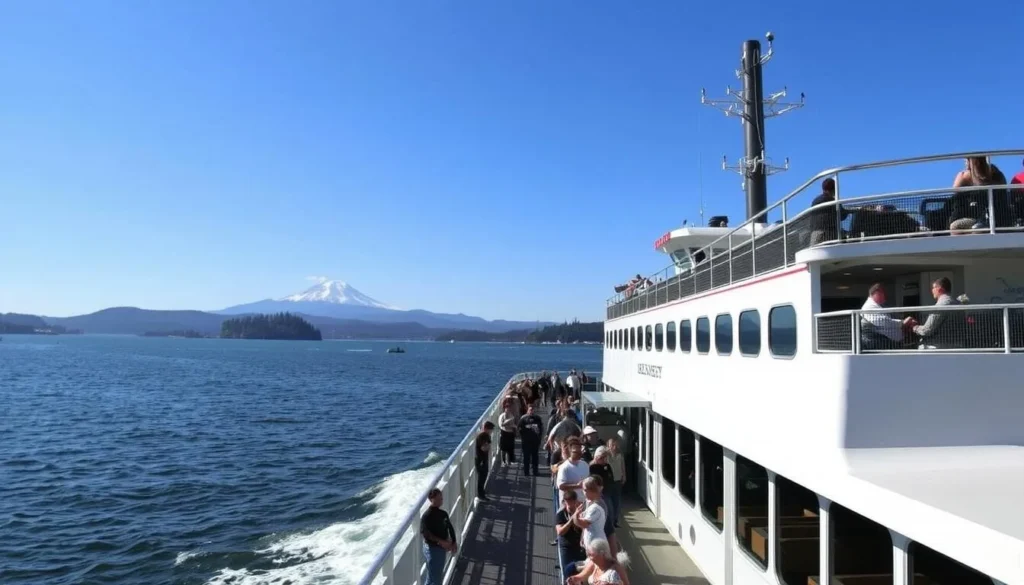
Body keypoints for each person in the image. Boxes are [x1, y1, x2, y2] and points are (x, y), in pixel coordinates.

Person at [419, 488, 457, 585]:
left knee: (433, 576)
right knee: (436, 579)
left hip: (441, 549)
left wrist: (454, 542)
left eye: (442, 498)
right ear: (431, 499)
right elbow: (426, 533)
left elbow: (450, 527)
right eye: (439, 499)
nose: (441, 501)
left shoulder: (443, 514)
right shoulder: (427, 516)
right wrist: (441, 542)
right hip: (432, 549)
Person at [567, 538, 631, 585]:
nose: (589, 558)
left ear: (602, 554)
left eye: (591, 555)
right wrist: (574, 578)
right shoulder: (593, 564)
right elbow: (582, 576)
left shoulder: (616, 570)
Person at [555, 490, 587, 582]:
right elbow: (560, 532)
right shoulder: (561, 514)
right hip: (566, 548)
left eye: (571, 502)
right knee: (567, 573)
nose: (569, 504)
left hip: (579, 548)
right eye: (566, 502)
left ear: (575, 501)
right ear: (564, 502)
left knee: (580, 574)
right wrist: (571, 520)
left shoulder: (582, 513)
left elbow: (585, 527)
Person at [808, 177, 848, 245]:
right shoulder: (832, 201)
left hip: (814, 236)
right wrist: (849, 211)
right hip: (828, 235)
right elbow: (843, 216)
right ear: (834, 189)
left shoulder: (815, 201)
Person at [518, 403, 544, 476]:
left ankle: (535, 471)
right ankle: (526, 472)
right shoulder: (523, 419)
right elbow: (519, 429)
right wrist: (524, 435)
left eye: (532, 410)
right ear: (528, 410)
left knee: (535, 457)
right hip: (526, 441)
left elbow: (541, 429)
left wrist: (539, 438)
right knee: (526, 457)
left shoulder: (537, 418)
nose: (531, 411)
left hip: (535, 441)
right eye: (530, 410)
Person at [606, 438, 625, 527]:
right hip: (609, 481)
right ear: (608, 446)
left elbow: (622, 466)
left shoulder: (620, 455)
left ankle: (615, 520)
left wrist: (624, 476)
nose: (614, 447)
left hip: (618, 480)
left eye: (616, 445)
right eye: (612, 445)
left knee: (617, 501)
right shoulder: (606, 456)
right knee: (609, 502)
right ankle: (610, 520)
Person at [475, 421, 495, 501]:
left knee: (484, 476)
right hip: (480, 460)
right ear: (486, 429)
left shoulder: (487, 436)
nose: (491, 431)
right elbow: (483, 448)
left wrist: (488, 445)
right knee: (481, 478)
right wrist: (488, 445)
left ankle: (482, 493)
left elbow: (488, 446)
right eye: (491, 430)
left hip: (484, 459)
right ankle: (480, 495)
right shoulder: (481, 436)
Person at [498, 401, 517, 467]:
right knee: (503, 449)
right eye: (507, 408)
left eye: (509, 407)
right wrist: (509, 421)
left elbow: (513, 424)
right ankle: (503, 461)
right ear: (504, 408)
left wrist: (514, 427)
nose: (508, 409)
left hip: (510, 433)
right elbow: (501, 424)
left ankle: (510, 461)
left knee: (511, 448)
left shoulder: (511, 415)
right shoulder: (502, 416)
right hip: (504, 433)